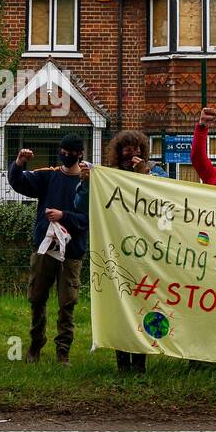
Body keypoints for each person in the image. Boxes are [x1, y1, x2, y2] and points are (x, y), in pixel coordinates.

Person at [8, 134, 90, 366]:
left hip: (71, 252)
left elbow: (87, 219)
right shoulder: (48, 176)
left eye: (70, 151)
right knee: (37, 298)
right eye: (62, 150)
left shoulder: (87, 182)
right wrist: (19, 164)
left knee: (67, 303)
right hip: (44, 249)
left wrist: (63, 216)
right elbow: (19, 183)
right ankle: (36, 344)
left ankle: (63, 352)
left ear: (80, 154)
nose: (65, 155)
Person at [82, 129, 154, 373]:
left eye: (137, 149)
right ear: (118, 151)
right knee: (120, 306)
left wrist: (143, 175)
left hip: (145, 254)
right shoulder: (108, 177)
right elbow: (82, 205)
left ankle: (140, 363)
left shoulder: (155, 173)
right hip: (116, 252)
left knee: (143, 306)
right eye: (127, 148)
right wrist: (85, 184)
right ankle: (122, 363)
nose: (132, 153)